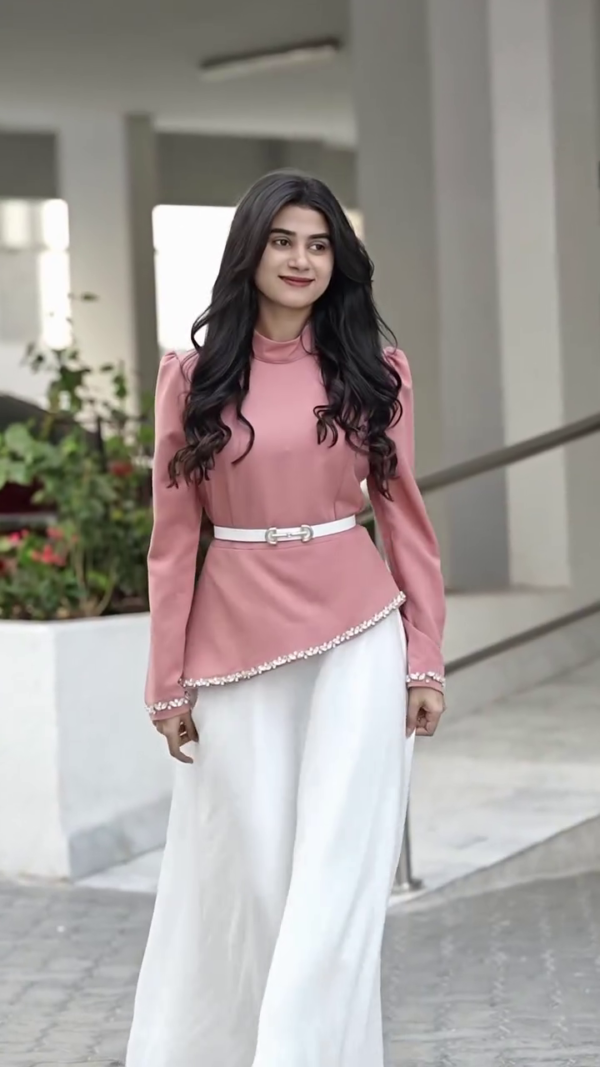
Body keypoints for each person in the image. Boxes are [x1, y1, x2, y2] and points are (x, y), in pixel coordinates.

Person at [125, 170, 446, 1067]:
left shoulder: (374, 372)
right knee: (261, 877)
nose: (302, 260)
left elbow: (406, 521)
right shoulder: (194, 378)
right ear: (251, 251)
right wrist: (165, 683)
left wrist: (424, 655)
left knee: (338, 879)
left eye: (319, 243)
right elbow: (171, 539)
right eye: (282, 241)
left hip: (359, 634)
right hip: (235, 648)